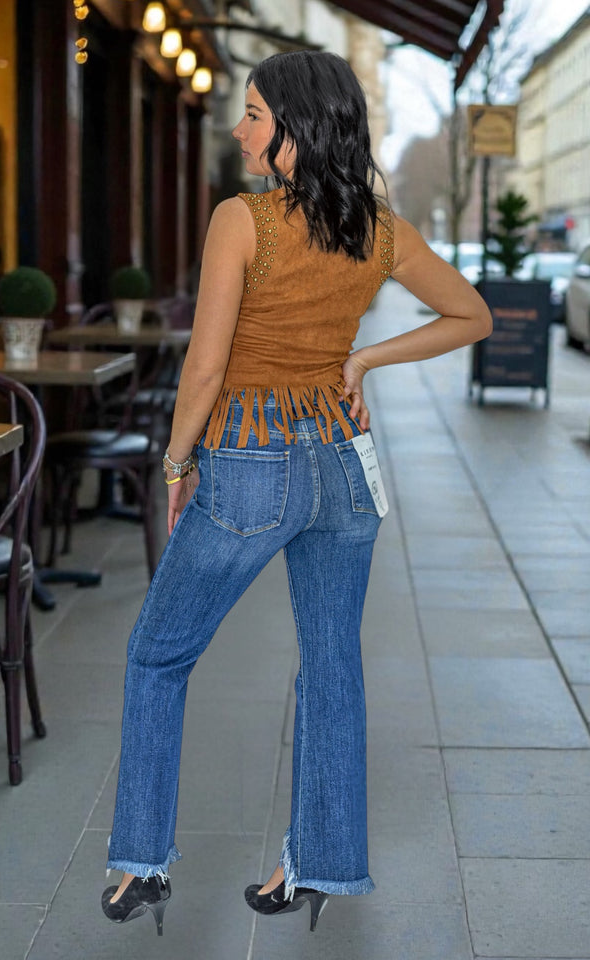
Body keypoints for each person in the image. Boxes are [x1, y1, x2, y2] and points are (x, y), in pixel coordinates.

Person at [101, 50, 492, 936]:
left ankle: (138, 864)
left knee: (159, 654)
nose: (238, 130)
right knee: (332, 666)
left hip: (249, 459)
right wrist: (362, 358)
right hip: (343, 463)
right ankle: (316, 865)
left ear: (294, 127)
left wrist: (174, 464)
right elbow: (472, 313)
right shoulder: (378, 230)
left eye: (252, 115)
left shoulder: (242, 221)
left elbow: (204, 368)